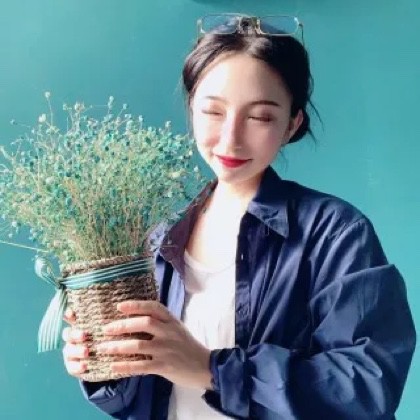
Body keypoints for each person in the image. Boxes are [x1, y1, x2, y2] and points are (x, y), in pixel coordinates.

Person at [62, 14, 416, 419]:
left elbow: (367, 388)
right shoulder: (162, 237)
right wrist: (104, 366)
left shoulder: (335, 233)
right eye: (213, 112)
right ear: (192, 109)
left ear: (292, 124)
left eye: (260, 117)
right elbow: (147, 397)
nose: (230, 139)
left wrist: (211, 369)